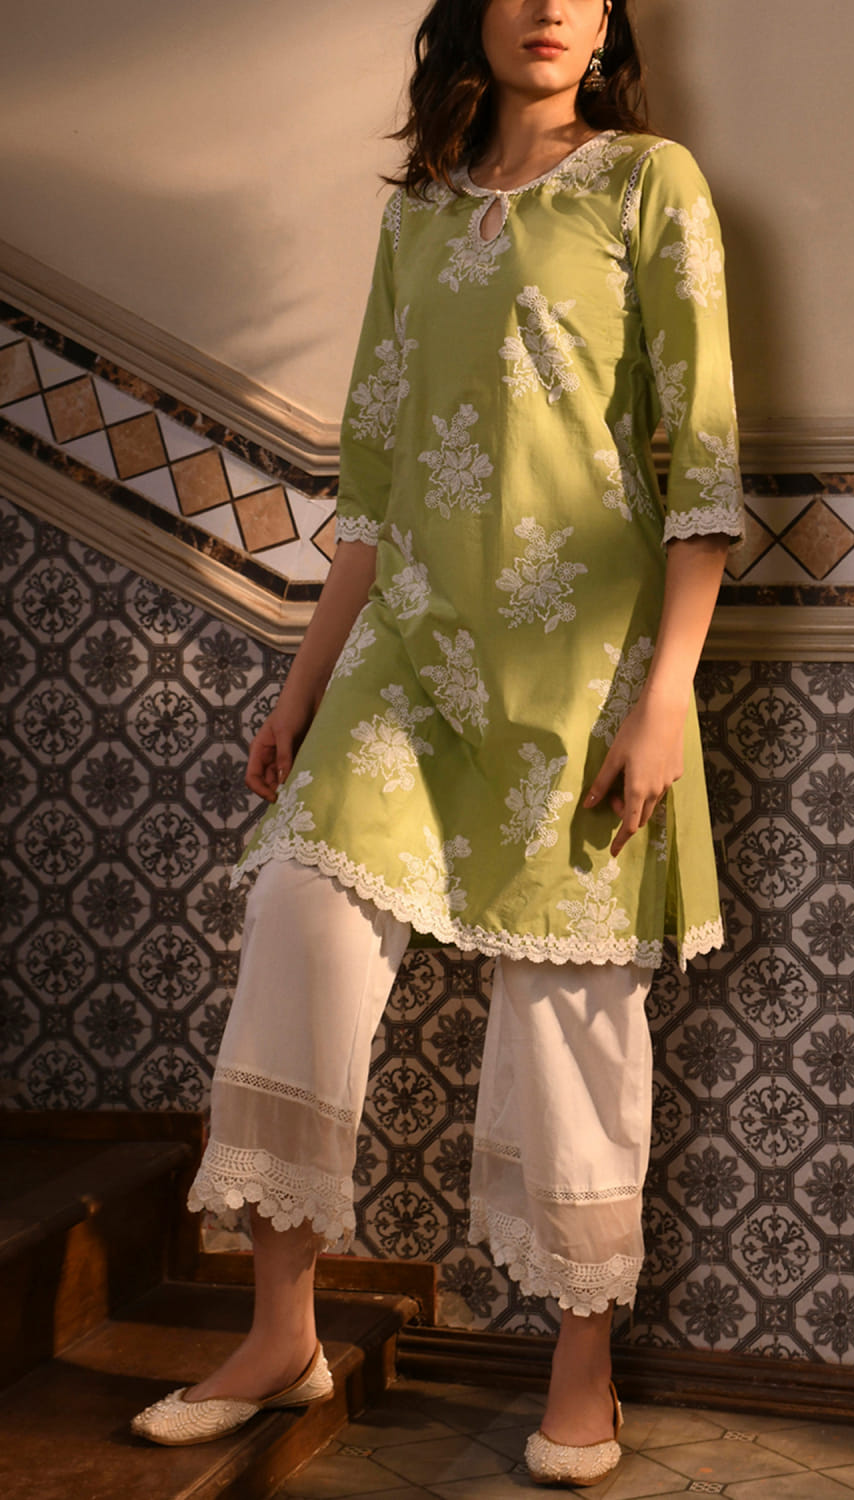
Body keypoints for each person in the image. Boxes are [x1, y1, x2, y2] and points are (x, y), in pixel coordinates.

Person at [132, 0, 743, 1485]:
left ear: (611, 14)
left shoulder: (651, 183)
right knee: (298, 918)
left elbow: (706, 460)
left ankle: (582, 1367)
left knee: (572, 1003)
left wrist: (666, 695)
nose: (550, 6)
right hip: (406, 650)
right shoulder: (416, 217)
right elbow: (375, 479)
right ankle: (281, 1333)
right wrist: (305, 681)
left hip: (585, 661)